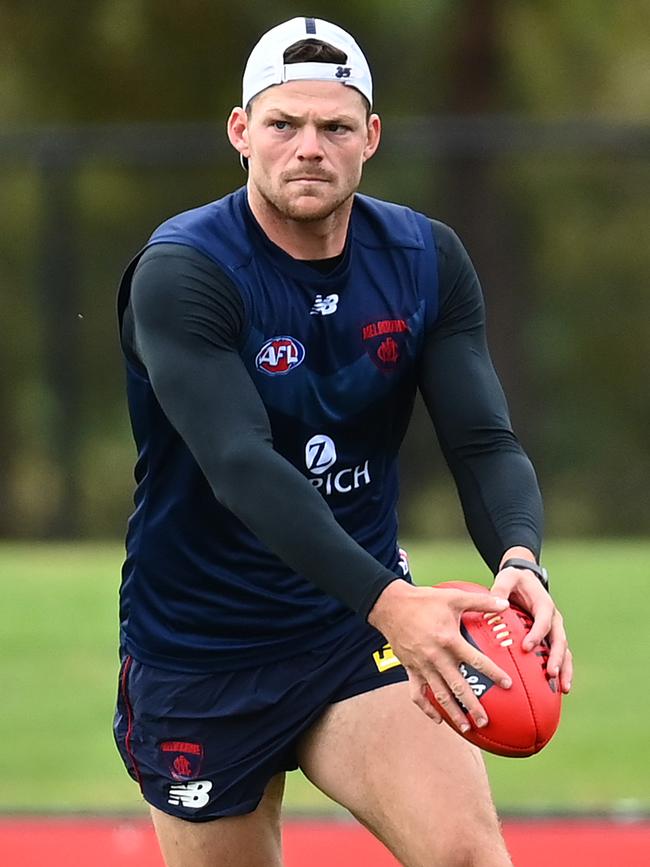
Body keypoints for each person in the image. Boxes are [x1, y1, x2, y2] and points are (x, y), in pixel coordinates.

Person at [113, 16, 572, 867]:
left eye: (334, 126)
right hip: (202, 647)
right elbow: (242, 468)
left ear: (371, 137)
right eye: (284, 124)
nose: (308, 147)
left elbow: (483, 442)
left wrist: (520, 558)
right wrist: (392, 600)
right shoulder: (185, 270)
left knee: (470, 857)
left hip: (352, 629)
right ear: (241, 134)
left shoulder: (425, 258)